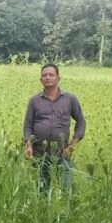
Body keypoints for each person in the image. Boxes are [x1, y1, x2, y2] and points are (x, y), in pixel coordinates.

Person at [23, 63, 86, 194]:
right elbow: (28, 125)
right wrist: (29, 145)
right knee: (42, 190)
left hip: (63, 153)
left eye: (51, 75)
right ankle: (44, 211)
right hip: (40, 153)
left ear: (58, 78)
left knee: (66, 190)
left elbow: (81, 122)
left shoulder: (70, 99)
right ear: (41, 80)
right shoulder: (34, 101)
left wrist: (72, 146)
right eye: (44, 75)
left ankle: (65, 213)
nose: (48, 77)